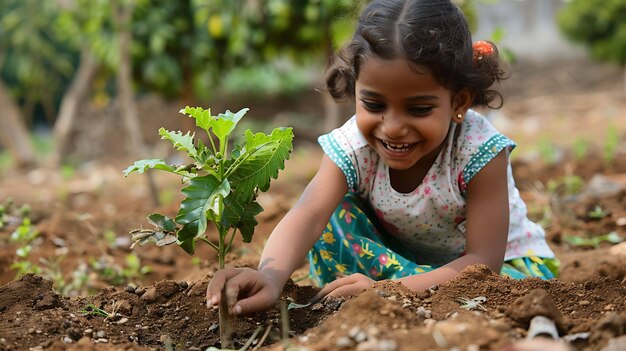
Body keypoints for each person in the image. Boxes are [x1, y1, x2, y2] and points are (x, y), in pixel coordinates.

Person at [207, 0, 558, 315]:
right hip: (404, 264)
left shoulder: (478, 151)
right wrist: (270, 276)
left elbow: (484, 262)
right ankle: (364, 300)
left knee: (506, 294)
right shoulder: (354, 146)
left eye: (418, 109)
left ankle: (393, 297)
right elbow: (310, 214)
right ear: (355, 88)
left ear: (460, 102)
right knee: (332, 216)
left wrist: (389, 290)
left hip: (494, 271)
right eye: (374, 105)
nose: (391, 128)